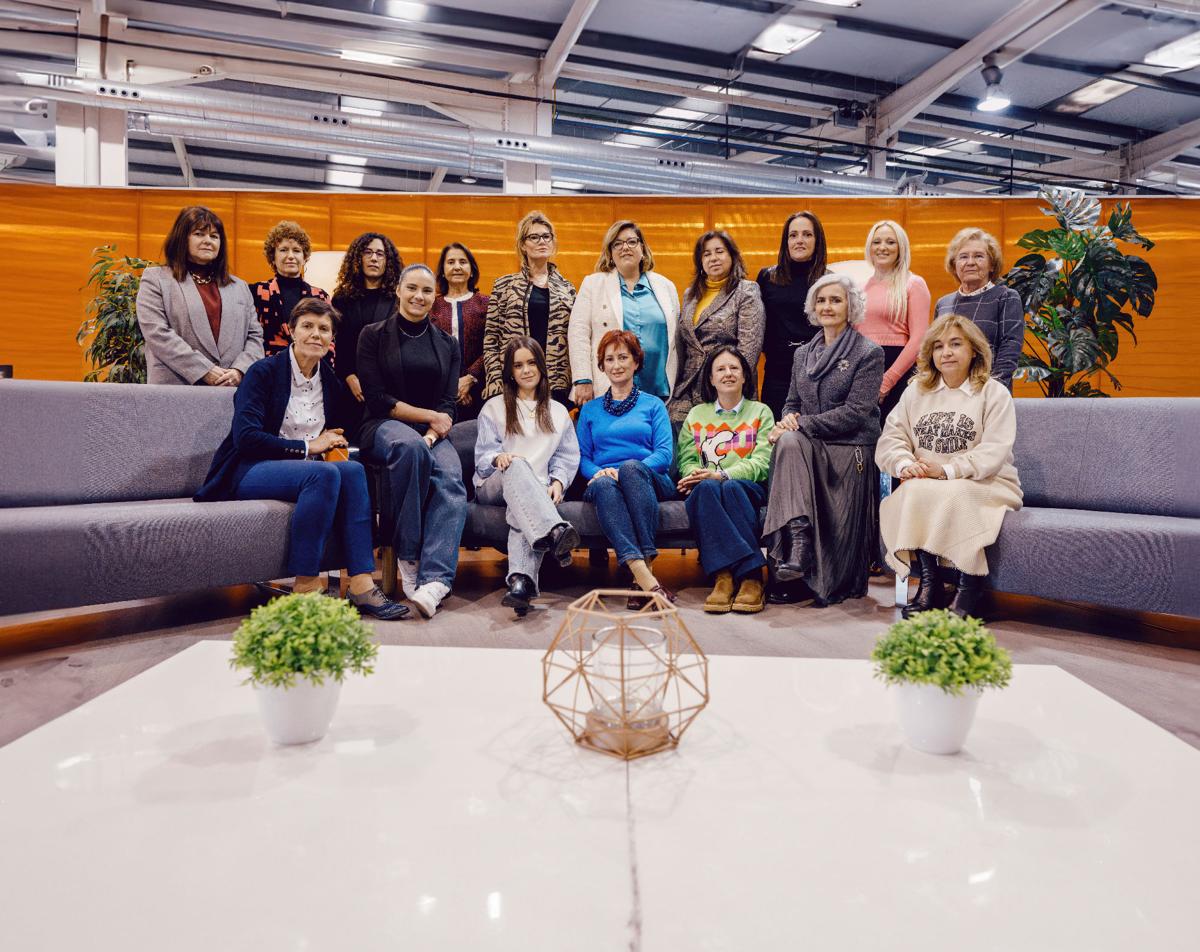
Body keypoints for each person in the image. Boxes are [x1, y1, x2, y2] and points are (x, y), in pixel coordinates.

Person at [194, 298, 407, 620]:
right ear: (291, 331)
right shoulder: (263, 373)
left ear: (332, 339)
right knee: (323, 475)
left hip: (301, 472)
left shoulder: (330, 382)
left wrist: (337, 438)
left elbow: (345, 426)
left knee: (351, 471)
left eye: (324, 329)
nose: (316, 334)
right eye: (307, 326)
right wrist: (310, 447)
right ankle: (306, 588)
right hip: (248, 468)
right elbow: (246, 438)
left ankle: (362, 584)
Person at [875, 313, 1023, 619]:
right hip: (930, 482)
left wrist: (946, 471)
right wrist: (905, 464)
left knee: (953, 494)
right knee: (914, 491)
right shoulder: (917, 390)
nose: (947, 352)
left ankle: (971, 586)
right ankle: (931, 584)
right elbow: (891, 439)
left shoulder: (993, 393)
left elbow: (994, 452)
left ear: (974, 351)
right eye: (939, 346)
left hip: (988, 483)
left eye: (956, 344)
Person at [762, 273, 884, 606]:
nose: (827, 306)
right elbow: (791, 402)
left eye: (835, 300)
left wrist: (800, 425)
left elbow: (857, 412)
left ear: (851, 306)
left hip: (850, 446)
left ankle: (799, 551)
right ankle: (799, 542)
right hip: (808, 445)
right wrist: (789, 420)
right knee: (787, 443)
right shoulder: (802, 354)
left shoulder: (868, 352)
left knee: (789, 442)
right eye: (821, 300)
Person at [357, 263, 466, 619]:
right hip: (383, 426)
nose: (419, 296)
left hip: (434, 433)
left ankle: (435, 581)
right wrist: (428, 420)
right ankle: (408, 556)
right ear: (399, 291)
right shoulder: (372, 335)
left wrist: (435, 431)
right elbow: (376, 399)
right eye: (412, 289)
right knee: (410, 447)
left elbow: (448, 403)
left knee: (451, 478)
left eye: (427, 291)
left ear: (435, 298)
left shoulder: (448, 344)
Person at [474, 337, 581, 617]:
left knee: (522, 509)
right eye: (518, 365)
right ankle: (556, 530)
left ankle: (520, 583)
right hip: (494, 482)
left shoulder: (558, 411)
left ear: (541, 366)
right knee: (518, 466)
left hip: (536, 491)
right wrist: (499, 457)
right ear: (510, 371)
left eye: (531, 363)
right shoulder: (494, 407)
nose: (526, 370)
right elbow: (483, 458)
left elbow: (567, 457)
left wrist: (558, 482)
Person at [577, 330, 676, 608]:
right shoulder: (590, 410)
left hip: (650, 478)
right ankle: (643, 577)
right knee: (603, 485)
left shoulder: (654, 405)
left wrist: (624, 470)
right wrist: (598, 472)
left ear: (636, 362)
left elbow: (664, 454)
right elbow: (582, 458)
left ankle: (643, 572)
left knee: (631, 469)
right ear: (602, 366)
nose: (616, 364)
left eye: (623, 357)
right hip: (604, 482)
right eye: (609, 359)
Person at [677, 345, 775, 614]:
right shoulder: (697, 415)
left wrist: (722, 474)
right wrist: (694, 475)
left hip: (747, 487)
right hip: (705, 487)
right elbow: (686, 460)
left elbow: (763, 463)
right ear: (710, 378)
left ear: (745, 376)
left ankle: (746, 576)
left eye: (734, 368)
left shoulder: (760, 412)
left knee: (729, 487)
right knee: (707, 488)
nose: (728, 373)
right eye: (720, 369)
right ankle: (730, 576)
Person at [136, 205, 263, 386]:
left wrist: (240, 370)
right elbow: (157, 333)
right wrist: (203, 370)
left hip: (231, 392)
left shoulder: (240, 287)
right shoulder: (156, 279)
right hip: (175, 390)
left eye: (214, 236)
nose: (208, 241)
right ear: (182, 238)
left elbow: (255, 337)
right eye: (199, 234)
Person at [568, 220, 680, 405]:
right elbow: (578, 333)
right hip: (609, 388)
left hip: (658, 391)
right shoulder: (593, 284)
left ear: (642, 248)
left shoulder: (666, 286)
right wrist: (583, 379)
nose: (625, 247)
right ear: (610, 253)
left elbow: (677, 340)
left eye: (631, 242)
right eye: (617, 244)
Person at [668, 230, 764, 424]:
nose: (713, 258)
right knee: (677, 438)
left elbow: (749, 349)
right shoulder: (690, 295)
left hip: (727, 386)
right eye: (706, 253)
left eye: (719, 251)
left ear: (732, 256)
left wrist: (724, 382)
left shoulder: (746, 290)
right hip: (688, 386)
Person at [483, 210, 576, 403]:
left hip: (555, 382)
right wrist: (495, 380)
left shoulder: (568, 289)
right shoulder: (503, 285)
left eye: (546, 236)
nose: (541, 241)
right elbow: (491, 339)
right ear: (523, 245)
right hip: (513, 379)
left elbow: (575, 340)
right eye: (534, 237)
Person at [756, 211, 829, 418]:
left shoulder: (829, 281)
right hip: (777, 373)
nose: (799, 240)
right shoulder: (767, 277)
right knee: (777, 437)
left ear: (817, 241)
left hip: (817, 372)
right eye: (793, 235)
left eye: (807, 234)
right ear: (785, 241)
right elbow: (758, 325)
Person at [858, 219, 931, 424]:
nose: (882, 247)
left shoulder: (914, 284)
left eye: (890, 242)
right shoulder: (861, 288)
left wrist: (887, 380)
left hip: (897, 371)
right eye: (877, 242)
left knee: (892, 437)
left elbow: (918, 340)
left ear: (901, 247)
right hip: (864, 368)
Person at [934, 228, 1025, 389]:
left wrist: (991, 390)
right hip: (947, 394)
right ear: (954, 265)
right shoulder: (943, 303)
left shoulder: (1005, 297)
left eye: (978, 256)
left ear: (992, 265)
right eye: (963, 257)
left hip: (988, 392)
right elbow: (935, 350)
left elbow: (1010, 349)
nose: (970, 262)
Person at [331, 232, 403, 406]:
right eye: (367, 252)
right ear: (358, 258)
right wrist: (348, 376)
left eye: (380, 254)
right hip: (349, 385)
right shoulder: (341, 299)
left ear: (388, 261)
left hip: (389, 386)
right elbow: (336, 343)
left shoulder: (399, 299)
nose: (373, 258)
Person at [250, 220, 330, 357]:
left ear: (304, 258)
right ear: (273, 257)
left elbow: (329, 339)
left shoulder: (321, 296)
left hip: (310, 369)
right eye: (283, 250)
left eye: (297, 251)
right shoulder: (256, 292)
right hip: (268, 369)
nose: (291, 256)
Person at [431, 242, 489, 421]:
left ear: (471, 270)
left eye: (463, 262)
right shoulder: (431, 306)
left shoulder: (486, 303)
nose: (457, 267)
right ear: (442, 270)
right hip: (437, 391)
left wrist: (469, 379)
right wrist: (452, 388)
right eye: (450, 262)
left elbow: (493, 346)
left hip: (480, 389)